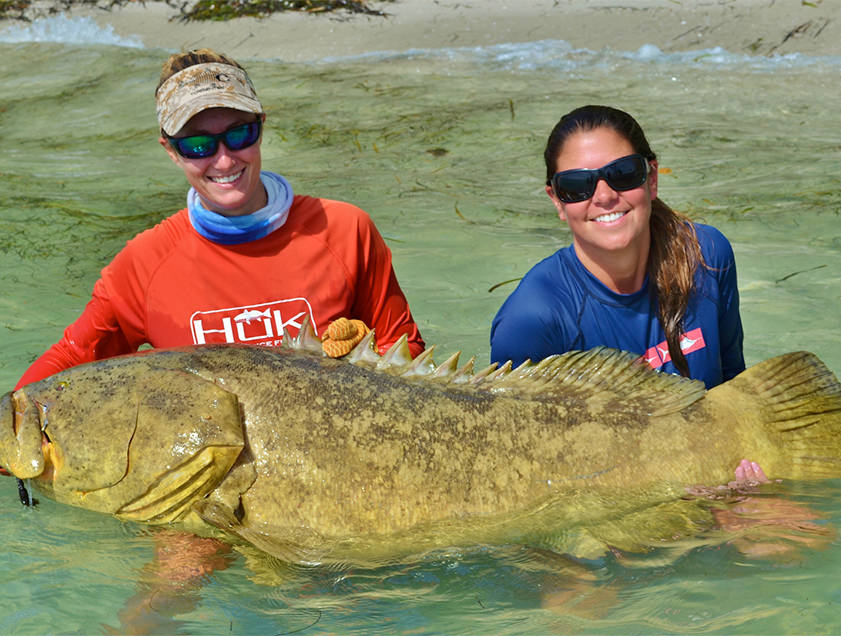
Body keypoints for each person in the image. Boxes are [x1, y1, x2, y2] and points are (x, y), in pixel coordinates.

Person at [16, 48, 424, 390]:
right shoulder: (144, 264)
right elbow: (72, 356)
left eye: (239, 134)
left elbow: (411, 363)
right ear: (171, 151)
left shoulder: (345, 230)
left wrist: (367, 367)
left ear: (261, 128)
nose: (225, 159)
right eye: (198, 145)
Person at [490, 105, 744, 389]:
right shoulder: (530, 323)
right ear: (557, 201)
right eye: (576, 185)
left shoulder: (705, 255)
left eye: (623, 173)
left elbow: (736, 393)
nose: (604, 196)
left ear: (652, 178)